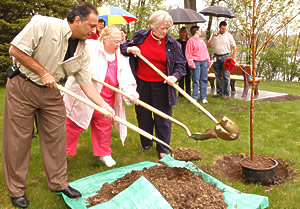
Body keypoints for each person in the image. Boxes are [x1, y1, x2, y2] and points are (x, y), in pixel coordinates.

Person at [2, 3, 115, 208]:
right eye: (91, 25)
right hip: (23, 87)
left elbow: (86, 83)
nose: (94, 30)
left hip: (53, 92)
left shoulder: (83, 48)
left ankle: (58, 183)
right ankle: (16, 190)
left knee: (57, 137)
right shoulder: (43, 24)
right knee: (19, 140)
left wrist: (104, 106)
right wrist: (43, 72)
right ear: (77, 20)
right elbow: (15, 50)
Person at [64, 26, 139, 167]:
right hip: (84, 95)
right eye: (115, 42)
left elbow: (127, 78)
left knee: (104, 126)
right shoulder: (91, 47)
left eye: (120, 42)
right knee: (73, 124)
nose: (118, 45)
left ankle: (104, 153)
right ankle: (62, 153)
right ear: (104, 39)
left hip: (107, 98)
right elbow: (75, 57)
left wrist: (131, 94)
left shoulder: (120, 58)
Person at [120, 10, 186, 159]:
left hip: (162, 86)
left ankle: (163, 148)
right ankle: (146, 143)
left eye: (167, 28)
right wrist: (130, 48)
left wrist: (174, 77)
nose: (165, 31)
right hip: (141, 84)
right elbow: (122, 48)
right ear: (153, 26)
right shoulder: (140, 36)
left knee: (163, 118)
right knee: (143, 115)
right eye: (162, 28)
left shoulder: (173, 44)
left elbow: (181, 65)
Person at [208, 21, 237, 99]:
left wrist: (234, 58)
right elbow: (209, 45)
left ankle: (226, 93)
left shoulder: (229, 36)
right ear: (219, 27)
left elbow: (234, 47)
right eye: (222, 28)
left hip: (225, 56)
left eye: (225, 28)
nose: (223, 30)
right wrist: (213, 36)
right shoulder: (215, 34)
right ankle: (219, 92)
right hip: (216, 56)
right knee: (217, 75)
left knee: (226, 75)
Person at [185, 26, 210, 104]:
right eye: (199, 30)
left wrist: (208, 59)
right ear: (196, 31)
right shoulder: (190, 41)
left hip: (204, 62)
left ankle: (204, 97)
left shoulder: (202, 41)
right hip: (196, 62)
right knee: (196, 80)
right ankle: (195, 97)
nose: (201, 31)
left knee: (204, 80)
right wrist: (191, 63)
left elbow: (206, 51)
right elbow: (188, 53)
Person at [176, 27, 191, 97]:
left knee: (188, 78)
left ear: (187, 33)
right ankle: (181, 94)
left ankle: (188, 93)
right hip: (180, 61)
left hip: (188, 61)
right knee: (181, 78)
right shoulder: (177, 41)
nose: (183, 34)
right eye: (182, 32)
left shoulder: (189, 41)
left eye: (184, 32)